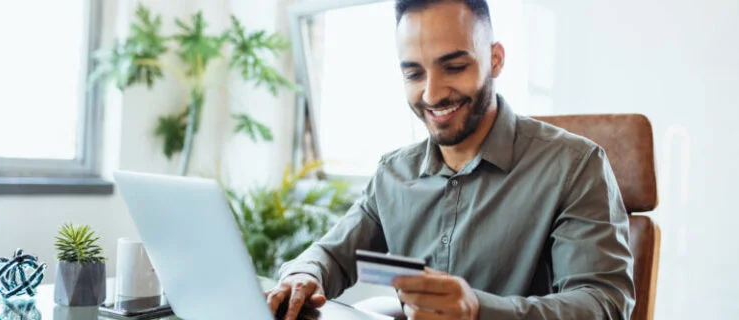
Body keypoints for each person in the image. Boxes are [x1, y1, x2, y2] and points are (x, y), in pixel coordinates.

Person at [265, 0, 635, 319]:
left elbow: (605, 305)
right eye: (413, 73)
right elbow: (332, 254)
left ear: (495, 59)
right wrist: (303, 275)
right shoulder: (393, 174)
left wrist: (479, 312)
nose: (432, 93)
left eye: (454, 67)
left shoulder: (575, 165)